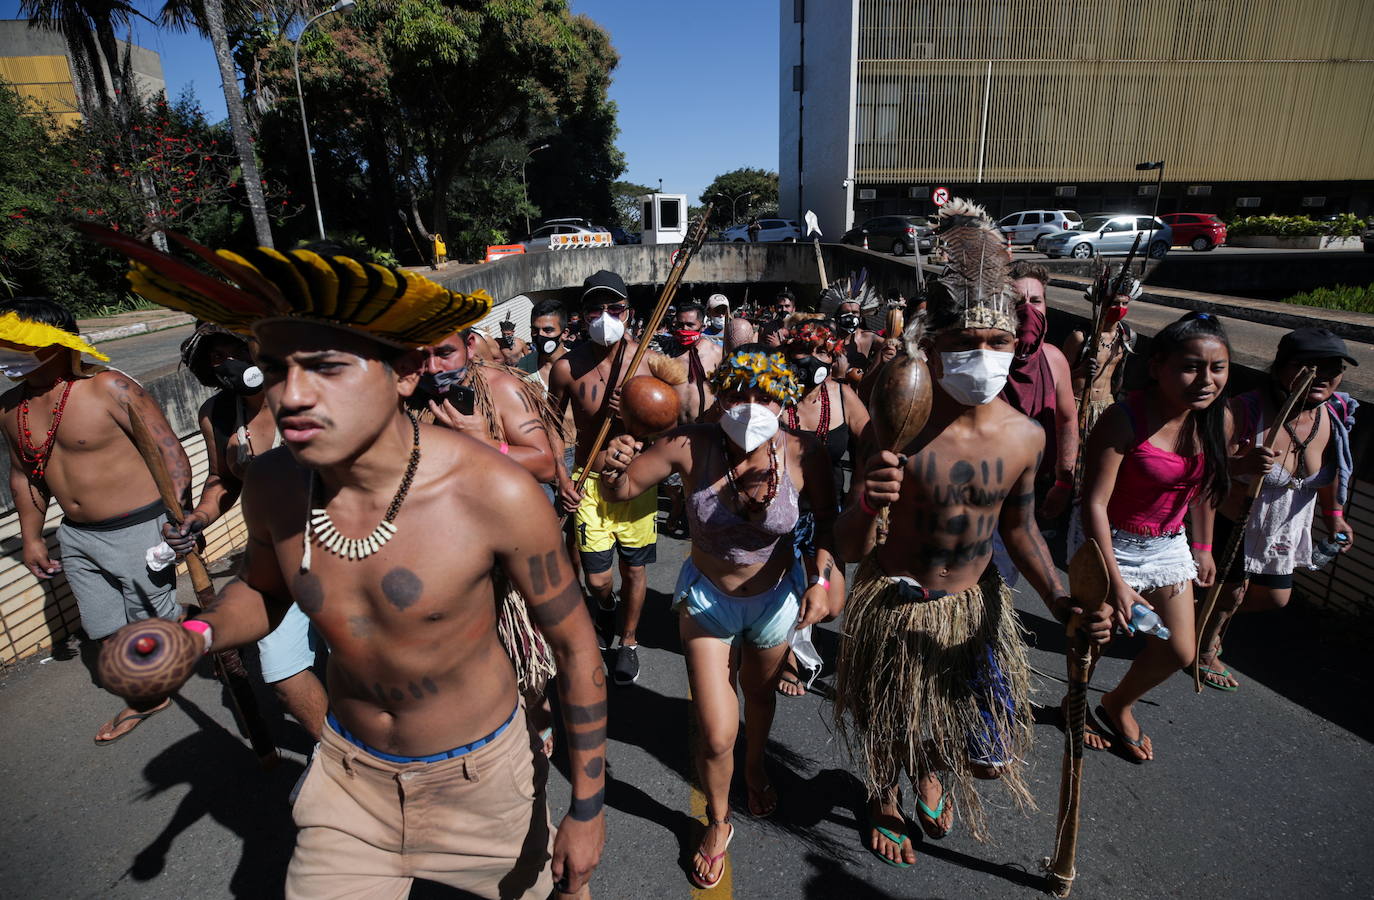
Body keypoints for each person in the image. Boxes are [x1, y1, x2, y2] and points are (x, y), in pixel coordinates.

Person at [87, 234, 606, 899]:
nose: (291, 395)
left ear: (406, 372)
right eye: (274, 368)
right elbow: (262, 590)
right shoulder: (275, 483)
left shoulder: (491, 493)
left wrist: (586, 809)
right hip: (349, 777)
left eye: (327, 366)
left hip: (484, 786)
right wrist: (197, 637)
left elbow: (574, 645)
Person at [830, 199, 1111, 867]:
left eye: (998, 343)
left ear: (1018, 345)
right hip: (894, 601)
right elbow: (846, 546)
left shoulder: (1023, 435)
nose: (983, 358)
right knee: (892, 715)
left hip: (974, 602)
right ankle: (884, 794)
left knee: (958, 725)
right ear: (930, 346)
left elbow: (1019, 530)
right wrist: (868, 504)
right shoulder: (896, 430)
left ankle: (931, 771)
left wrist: (1062, 599)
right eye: (965, 343)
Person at [600, 346, 840, 889]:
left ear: (782, 402)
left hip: (776, 602)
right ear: (721, 398)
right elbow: (620, 488)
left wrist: (821, 580)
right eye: (739, 394)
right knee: (714, 732)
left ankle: (755, 768)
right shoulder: (689, 445)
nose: (750, 406)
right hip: (709, 601)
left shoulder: (805, 453)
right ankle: (718, 819)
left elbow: (827, 521)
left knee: (759, 698)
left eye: (764, 397)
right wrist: (611, 458)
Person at [0, 297, 190, 745]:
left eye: (15, 343)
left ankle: (153, 692)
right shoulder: (10, 406)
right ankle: (178, 635)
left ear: (54, 344)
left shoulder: (110, 388)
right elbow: (23, 474)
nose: (6, 353)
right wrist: (31, 538)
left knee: (148, 629)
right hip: (77, 536)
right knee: (103, 629)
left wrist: (180, 518)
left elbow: (170, 452)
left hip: (140, 526)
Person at [163, 323, 327, 741]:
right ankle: (338, 756)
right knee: (283, 672)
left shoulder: (312, 387)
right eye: (215, 359)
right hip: (278, 557)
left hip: (345, 544)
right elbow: (222, 480)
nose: (228, 363)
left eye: (234, 350)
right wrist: (196, 518)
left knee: (358, 660)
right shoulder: (217, 414)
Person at [1080, 312, 1231, 761]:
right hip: (1111, 542)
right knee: (1093, 644)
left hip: (1168, 544)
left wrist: (1202, 546)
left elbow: (1205, 488)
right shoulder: (1122, 420)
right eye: (1191, 366)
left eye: (1218, 368)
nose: (1206, 380)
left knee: (1180, 650)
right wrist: (1117, 583)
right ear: (1157, 367)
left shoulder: (1213, 421)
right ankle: (1076, 703)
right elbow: (1094, 505)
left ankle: (1116, 703)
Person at [1198, 328, 1358, 691]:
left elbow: (1333, 471)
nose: (1322, 377)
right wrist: (1241, 464)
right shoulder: (1243, 411)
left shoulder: (1332, 417)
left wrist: (1335, 516)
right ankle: (1204, 649)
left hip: (1284, 529)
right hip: (1234, 521)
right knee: (1232, 593)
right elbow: (1203, 469)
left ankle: (1200, 615)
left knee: (1274, 597)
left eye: (1333, 368)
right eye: (1309, 366)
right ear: (1281, 367)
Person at [549, 269, 663, 685]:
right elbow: (551, 426)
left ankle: (628, 642)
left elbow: (671, 429)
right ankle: (607, 606)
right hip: (588, 482)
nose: (604, 316)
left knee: (634, 570)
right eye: (595, 308)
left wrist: (637, 412)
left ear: (629, 313)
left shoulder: (649, 361)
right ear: (581, 315)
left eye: (614, 307)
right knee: (598, 579)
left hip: (636, 482)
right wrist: (560, 477)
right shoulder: (566, 368)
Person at [1003, 261, 1078, 521]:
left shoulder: (1054, 359)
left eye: (1035, 301)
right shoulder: (983, 361)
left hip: (1037, 487)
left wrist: (1064, 483)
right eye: (1016, 301)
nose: (1027, 309)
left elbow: (1067, 421)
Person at [1062, 268, 1139, 441]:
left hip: (1106, 405)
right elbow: (1057, 378)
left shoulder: (1128, 336)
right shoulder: (1080, 337)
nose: (1120, 308)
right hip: (1076, 405)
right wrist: (1080, 372)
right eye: (1114, 303)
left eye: (1124, 304)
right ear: (1101, 303)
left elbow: (1119, 375)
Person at [830, 297, 887, 386]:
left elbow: (892, 346)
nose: (851, 316)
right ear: (837, 316)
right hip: (835, 390)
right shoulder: (829, 339)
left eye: (855, 313)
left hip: (860, 391)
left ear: (860, 316)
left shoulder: (869, 337)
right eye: (845, 312)